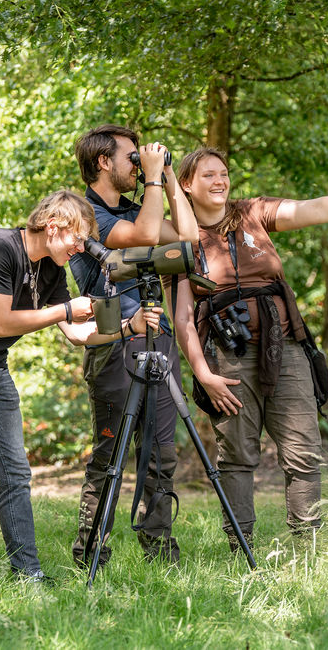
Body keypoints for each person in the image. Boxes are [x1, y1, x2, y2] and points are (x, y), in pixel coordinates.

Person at [172, 147, 328, 551]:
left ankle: (308, 546)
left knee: (304, 450)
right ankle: (242, 548)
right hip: (227, 357)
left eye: (224, 173)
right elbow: (182, 316)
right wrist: (203, 374)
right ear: (186, 184)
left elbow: (319, 207)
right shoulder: (178, 236)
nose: (220, 181)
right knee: (236, 454)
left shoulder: (253, 212)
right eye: (208, 175)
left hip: (284, 348)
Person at [0, 189, 162, 582]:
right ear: (54, 227)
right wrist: (65, 309)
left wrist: (127, 327)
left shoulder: (51, 269)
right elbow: (1, 323)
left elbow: (78, 335)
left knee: (15, 474)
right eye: (77, 238)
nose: (80, 248)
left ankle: (27, 573)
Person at [67, 124, 198, 566]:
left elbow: (188, 239)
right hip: (113, 342)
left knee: (160, 454)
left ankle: (161, 552)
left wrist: (170, 180)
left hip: (155, 335)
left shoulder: (133, 206)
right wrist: (156, 179)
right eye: (131, 158)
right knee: (111, 454)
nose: (138, 166)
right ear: (103, 162)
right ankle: (91, 553)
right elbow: (144, 237)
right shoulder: (84, 215)